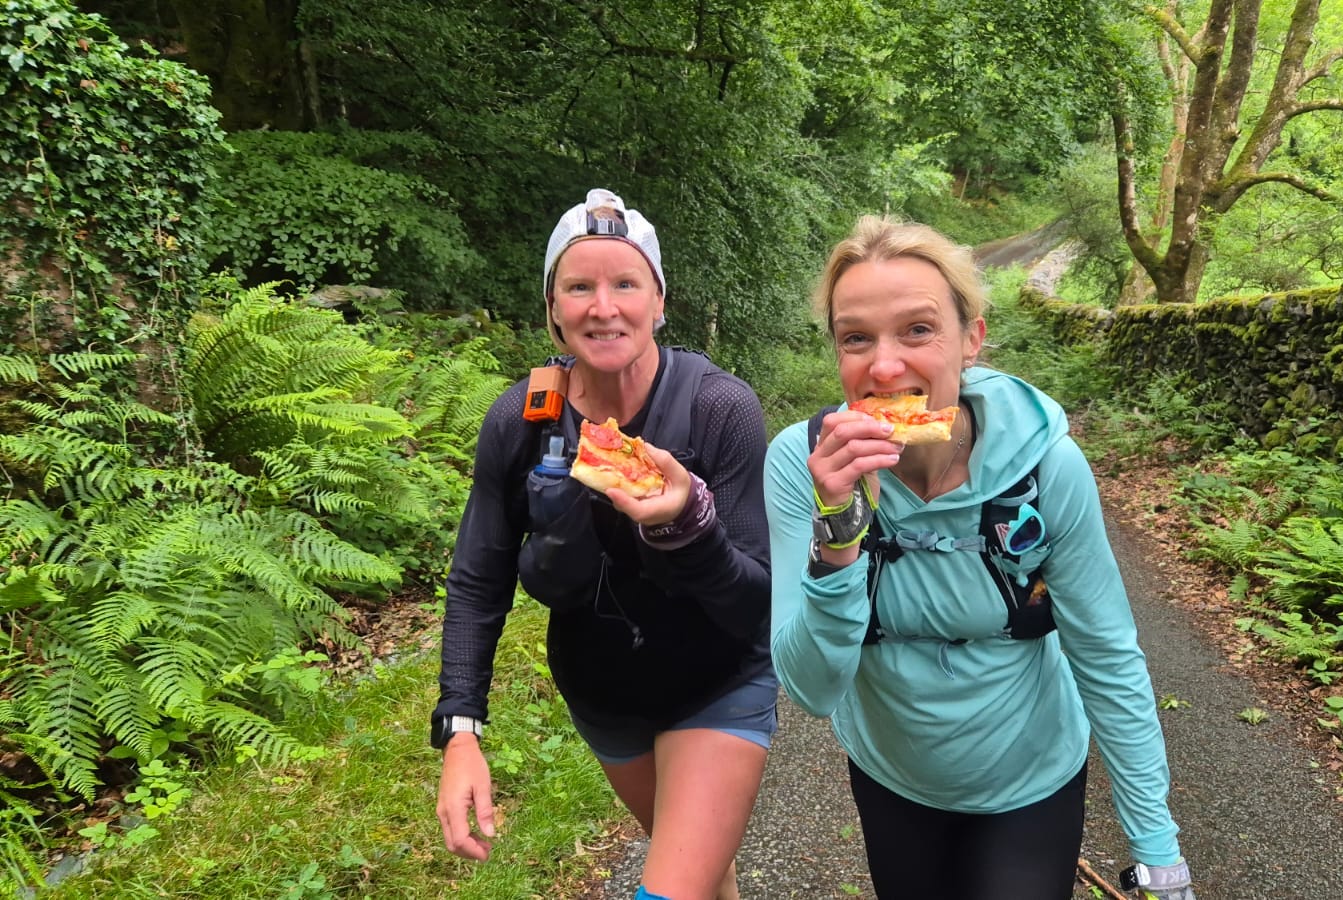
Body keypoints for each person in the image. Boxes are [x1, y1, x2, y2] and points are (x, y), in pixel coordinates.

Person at [763, 215, 1199, 900]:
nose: (884, 367)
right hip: (891, 774)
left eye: (918, 330)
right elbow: (812, 689)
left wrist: (1157, 850)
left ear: (971, 340)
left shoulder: (1047, 466)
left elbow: (1106, 654)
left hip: (1031, 778)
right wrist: (839, 531)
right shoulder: (802, 462)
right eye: (856, 338)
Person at [432, 188, 774, 900]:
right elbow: (478, 578)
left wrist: (687, 524)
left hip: (718, 683)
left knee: (673, 887)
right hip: (604, 701)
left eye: (626, 283)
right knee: (702, 874)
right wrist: (461, 729)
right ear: (553, 308)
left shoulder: (718, 407)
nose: (603, 307)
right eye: (579, 287)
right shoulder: (522, 420)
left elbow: (757, 603)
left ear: (659, 301)